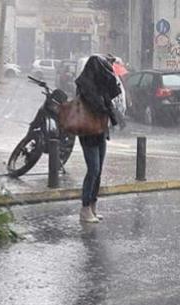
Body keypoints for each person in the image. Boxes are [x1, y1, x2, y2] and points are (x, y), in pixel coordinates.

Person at [75, 55, 122, 224]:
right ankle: (85, 208)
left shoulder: (100, 86)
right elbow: (97, 105)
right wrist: (105, 103)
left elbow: (110, 99)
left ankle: (93, 206)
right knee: (93, 169)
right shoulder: (85, 86)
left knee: (99, 171)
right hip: (88, 133)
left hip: (100, 131)